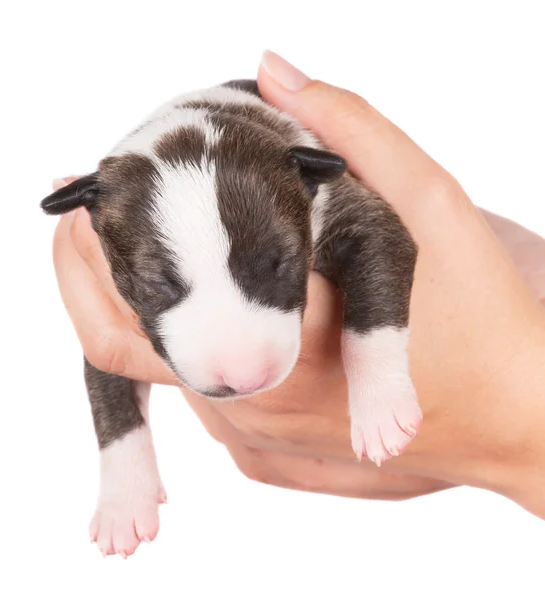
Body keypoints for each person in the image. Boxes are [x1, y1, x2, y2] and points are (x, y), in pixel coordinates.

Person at [50, 51, 545, 518]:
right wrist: (125, 470)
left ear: (308, 182)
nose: (244, 374)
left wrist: (379, 371)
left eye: (274, 266)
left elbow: (379, 236)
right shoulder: (122, 203)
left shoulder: (292, 168)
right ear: (93, 211)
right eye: (165, 286)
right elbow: (107, 346)